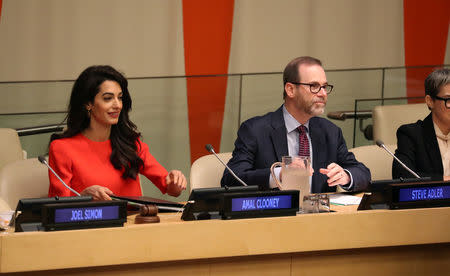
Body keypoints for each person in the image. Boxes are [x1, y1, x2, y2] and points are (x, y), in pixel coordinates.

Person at [221, 56, 370, 193]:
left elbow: (362, 172)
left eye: (325, 87)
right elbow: (231, 179)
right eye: (314, 86)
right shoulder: (256, 130)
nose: (323, 93)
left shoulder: (330, 132)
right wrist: (279, 174)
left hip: (319, 218)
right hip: (275, 217)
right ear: (290, 90)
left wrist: (346, 176)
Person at [48, 65, 187, 200]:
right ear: (88, 104)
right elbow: (56, 207)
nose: (117, 105)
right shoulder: (62, 148)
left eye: (120, 97)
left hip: (134, 222)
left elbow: (171, 189)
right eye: (108, 98)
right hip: (91, 222)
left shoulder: (131, 144)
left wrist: (175, 181)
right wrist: (82, 197)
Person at [393, 68, 449, 180]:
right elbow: (402, 175)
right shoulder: (411, 134)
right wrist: (443, 180)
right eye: (448, 100)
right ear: (430, 101)